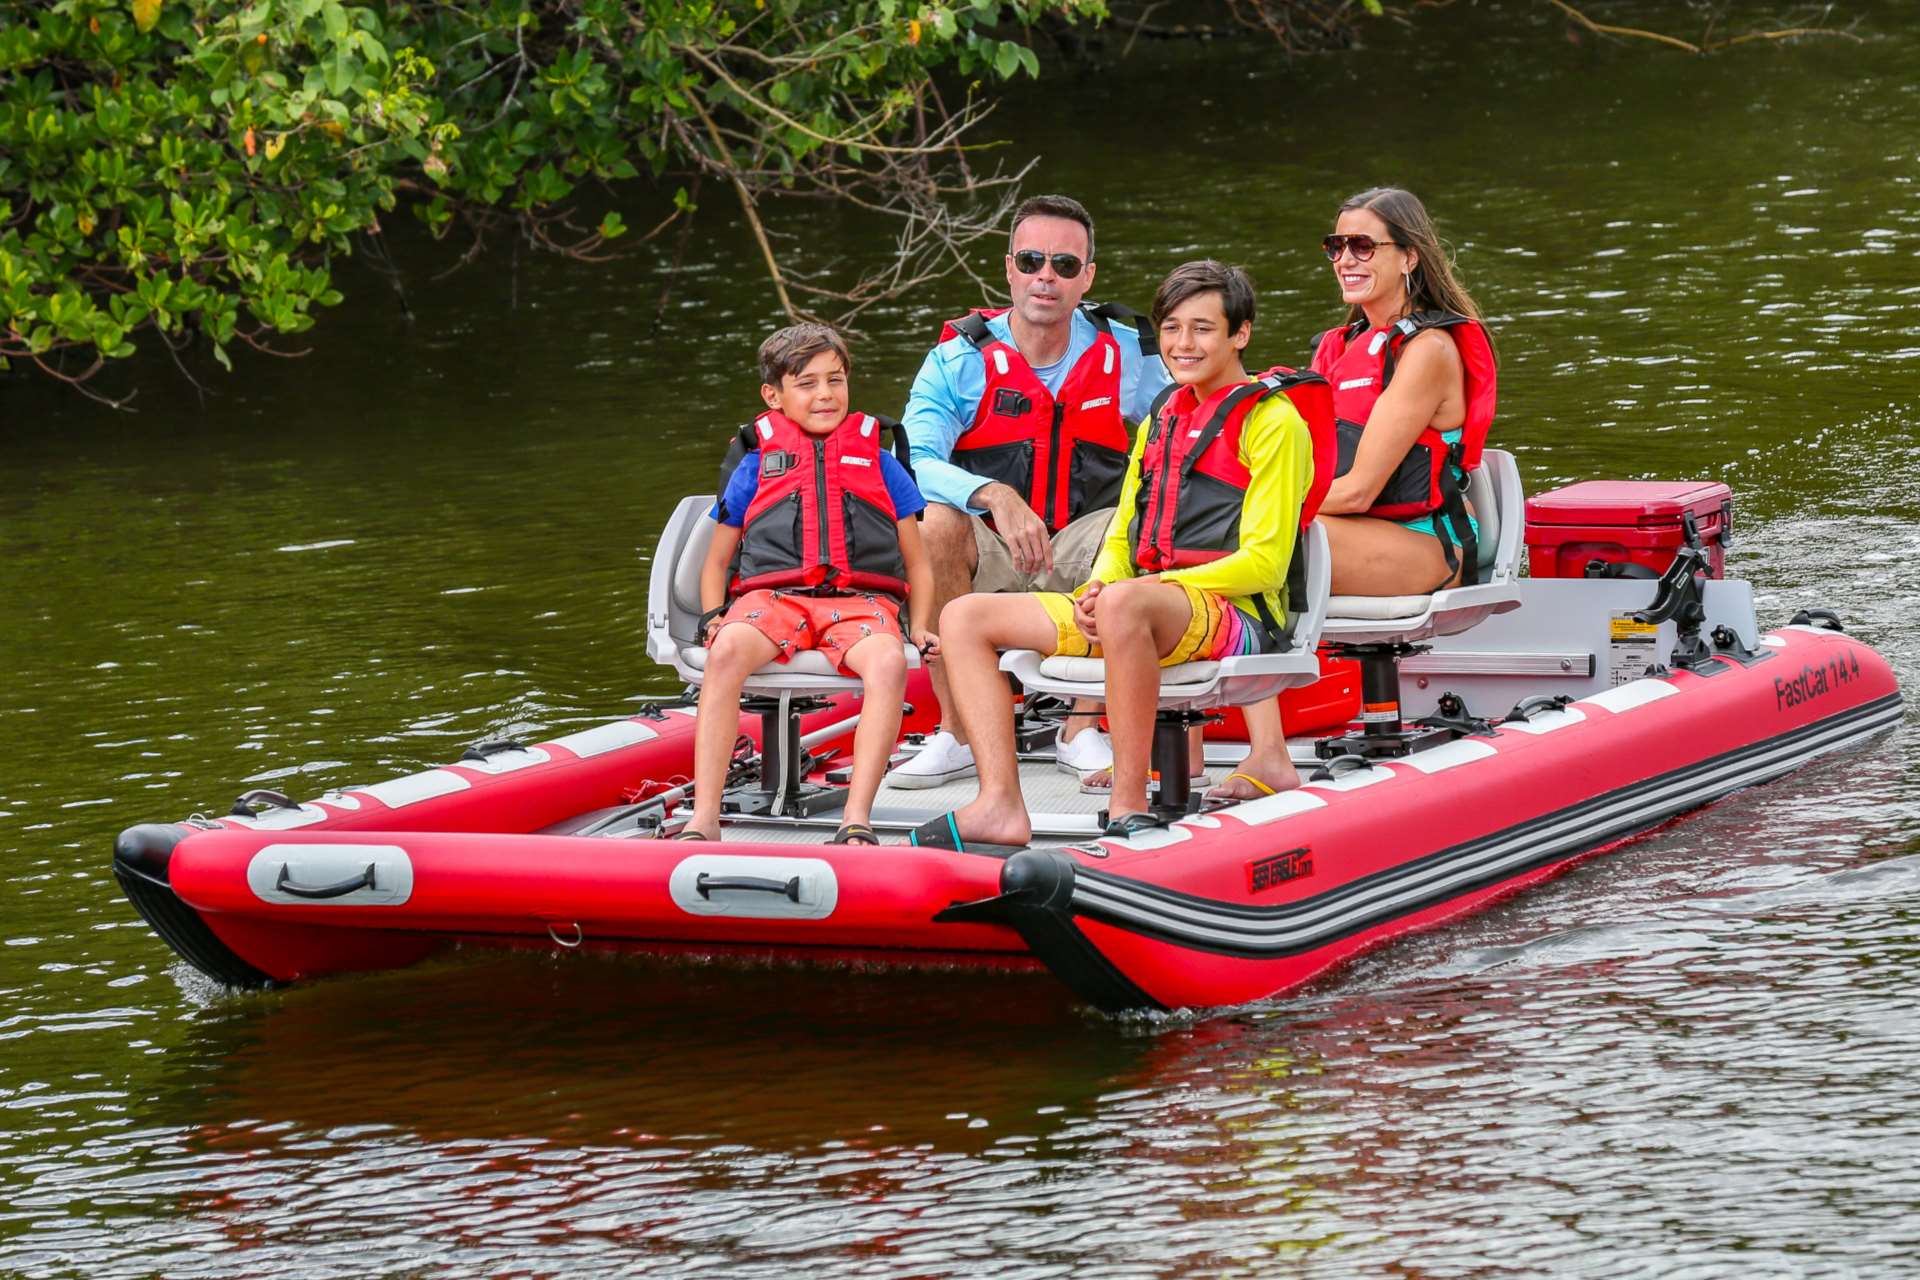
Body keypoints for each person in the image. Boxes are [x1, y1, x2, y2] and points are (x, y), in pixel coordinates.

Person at [917, 261, 1317, 848]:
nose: (1184, 344)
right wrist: (1095, 591)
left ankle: (1128, 803)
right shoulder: (1163, 415)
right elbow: (1127, 535)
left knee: (1128, 602)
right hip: (1140, 605)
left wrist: (1135, 594)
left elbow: (1265, 564)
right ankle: (999, 804)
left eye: (1203, 329)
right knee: (963, 617)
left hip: (1241, 615)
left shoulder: (1274, 421)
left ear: (1241, 334)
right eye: (1173, 328)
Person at [1205, 185, 1499, 804]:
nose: (1345, 258)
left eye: (1363, 244)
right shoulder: (1333, 348)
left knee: (1266, 544)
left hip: (1427, 545)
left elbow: (1361, 489)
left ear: (1408, 257)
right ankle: (1139, 730)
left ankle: (1269, 756)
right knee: (1208, 538)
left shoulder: (1429, 350)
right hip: (1345, 531)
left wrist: (1267, 511)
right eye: (1336, 245)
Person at [886, 194, 1172, 789]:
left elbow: (1180, 430)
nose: (1047, 277)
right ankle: (958, 732)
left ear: (1087, 276)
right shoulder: (956, 358)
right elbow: (913, 461)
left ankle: (1083, 727)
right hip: (989, 552)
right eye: (1033, 260)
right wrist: (993, 494)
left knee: (1147, 512)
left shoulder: (1127, 348)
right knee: (932, 521)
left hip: (1085, 547)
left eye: (1065, 266)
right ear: (1009, 267)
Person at [679, 323, 938, 846]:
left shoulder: (883, 464)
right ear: (773, 396)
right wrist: (712, 619)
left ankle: (857, 817)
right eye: (808, 383)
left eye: (835, 380)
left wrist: (922, 626)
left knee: (888, 663)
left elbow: (919, 562)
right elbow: (718, 561)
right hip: (772, 601)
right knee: (727, 651)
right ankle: (703, 819)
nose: (825, 394)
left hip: (861, 604)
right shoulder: (753, 465)